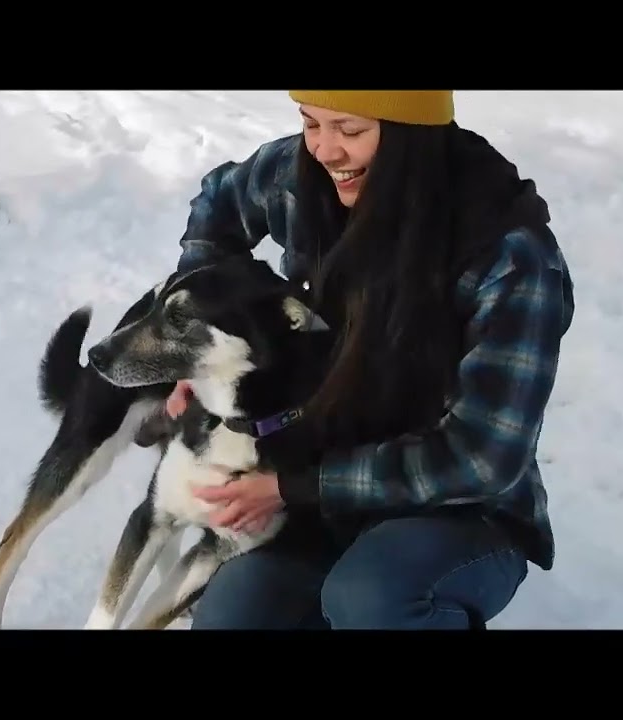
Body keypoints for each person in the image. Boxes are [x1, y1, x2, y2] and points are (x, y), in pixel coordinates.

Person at [164, 90, 575, 630]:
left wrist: (293, 487)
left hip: (462, 513)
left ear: (412, 132)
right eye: (311, 123)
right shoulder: (302, 179)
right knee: (232, 617)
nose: (325, 150)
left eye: (350, 131)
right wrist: (198, 344)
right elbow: (218, 203)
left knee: (368, 598)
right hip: (324, 490)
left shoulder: (509, 257)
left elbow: (481, 459)